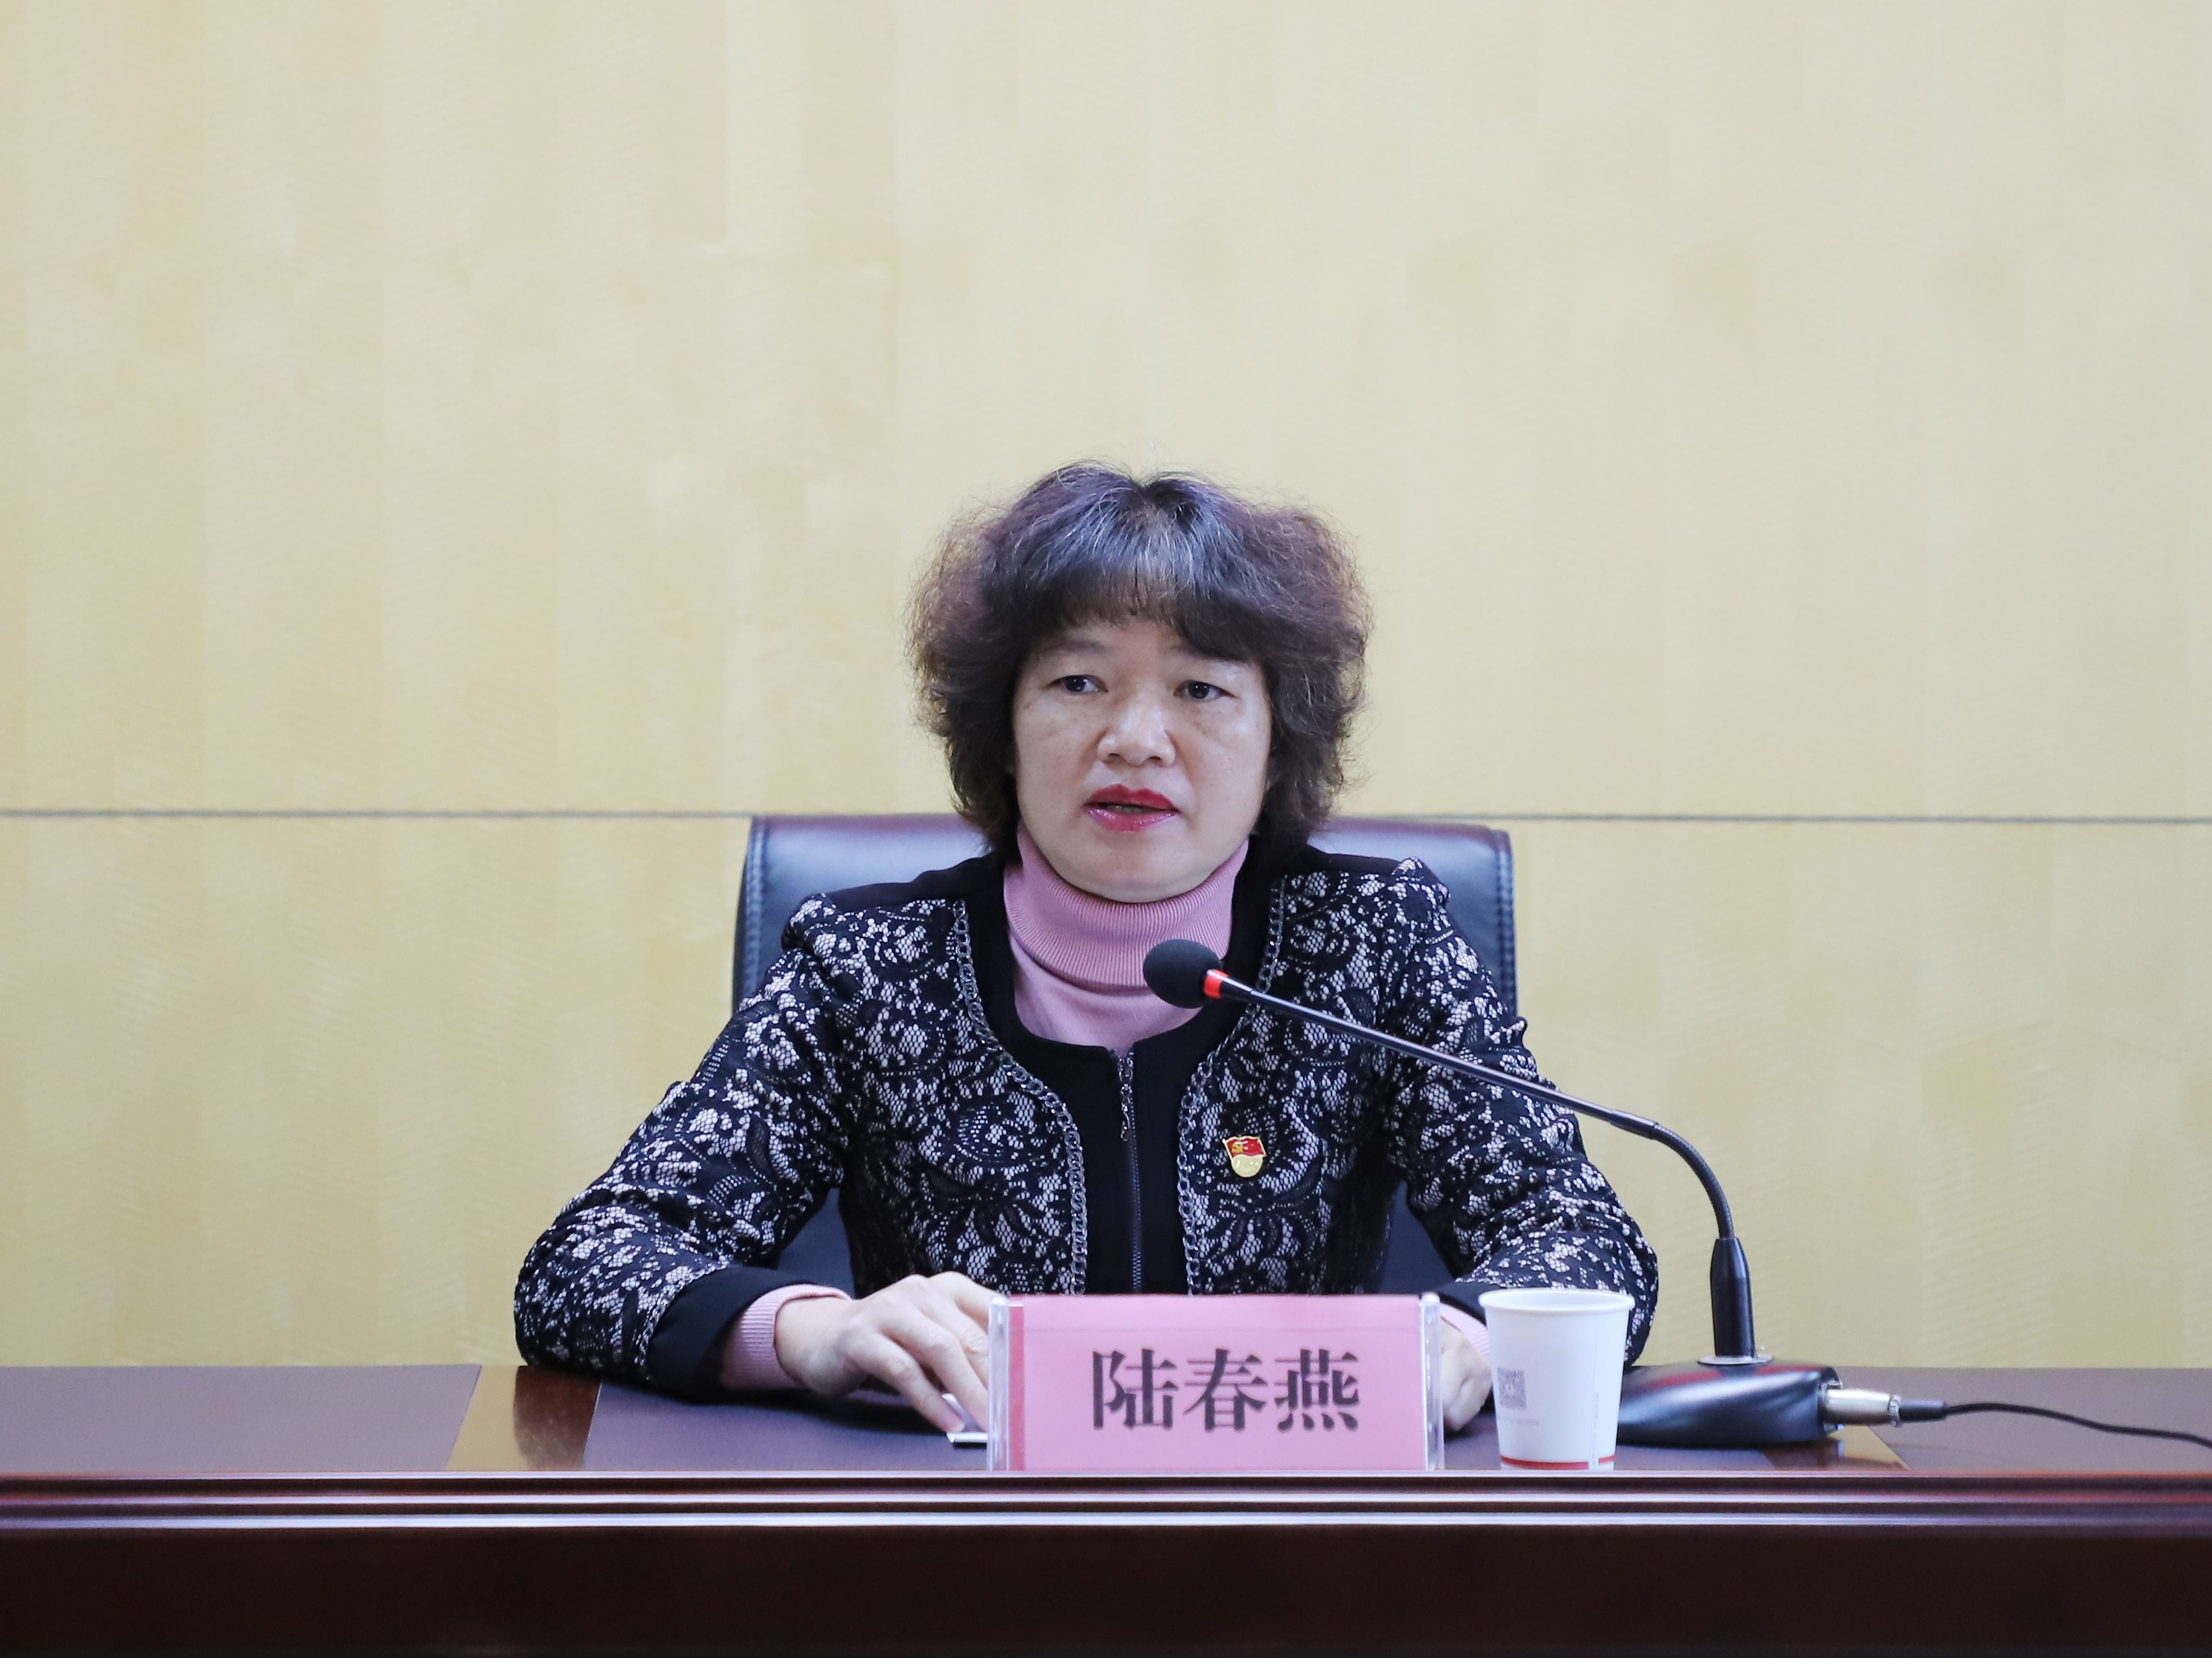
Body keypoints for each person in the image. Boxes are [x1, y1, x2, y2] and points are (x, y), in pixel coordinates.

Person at [514, 463, 1657, 1434]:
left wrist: (1467, 1338)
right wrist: (812, 1331)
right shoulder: (870, 967)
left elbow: (1583, 1237)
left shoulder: (1368, 944)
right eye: (1078, 681)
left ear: (1277, 743)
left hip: (1302, 1540)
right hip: (965, 1546)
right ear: (1003, 730)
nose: (1136, 739)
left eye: (1201, 688)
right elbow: (588, 1262)